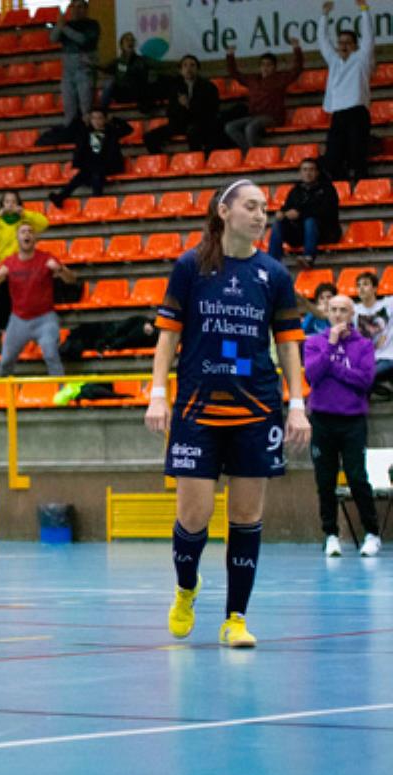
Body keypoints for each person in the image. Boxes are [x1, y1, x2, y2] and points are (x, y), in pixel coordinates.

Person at [145, 178, 311, 648]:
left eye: (265, 209)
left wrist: (296, 406)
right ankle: (185, 588)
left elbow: (289, 345)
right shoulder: (190, 267)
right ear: (225, 211)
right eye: (252, 206)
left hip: (257, 408)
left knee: (246, 516)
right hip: (197, 410)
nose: (262, 216)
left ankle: (235, 618)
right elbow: (168, 338)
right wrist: (158, 393)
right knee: (193, 517)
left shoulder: (274, 275)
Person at [304, 294, 381, 557]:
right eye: (334, 310)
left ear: (352, 315)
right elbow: (312, 375)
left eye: (343, 310)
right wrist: (332, 346)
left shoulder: (364, 346)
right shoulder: (315, 342)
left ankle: (372, 533)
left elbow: (365, 381)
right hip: (323, 420)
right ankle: (331, 535)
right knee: (324, 480)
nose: (338, 315)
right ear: (327, 313)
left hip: (352, 422)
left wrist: (334, 368)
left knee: (358, 477)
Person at [0, 224, 76, 376]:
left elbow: (71, 280)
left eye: (30, 231)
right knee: (5, 361)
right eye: (23, 231)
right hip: (18, 319)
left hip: (45, 318)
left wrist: (60, 270)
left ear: (35, 238)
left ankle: (61, 395)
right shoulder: (9, 262)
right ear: (18, 238)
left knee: (51, 355)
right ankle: (4, 395)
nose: (27, 234)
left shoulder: (46, 258)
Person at [0, 189, 50, 349]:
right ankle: (4, 339)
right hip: (2, 269)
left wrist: (25, 214)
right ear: (2, 204)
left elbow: (44, 223)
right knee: (2, 305)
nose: (10, 205)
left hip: (22, 268)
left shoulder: (24, 221)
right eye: (7, 202)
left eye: (13, 201)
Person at [319, 1, 375, 182]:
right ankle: (340, 186)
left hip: (357, 112)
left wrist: (364, 11)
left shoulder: (361, 59)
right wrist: (324, 16)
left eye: (348, 43)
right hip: (339, 114)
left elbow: (368, 37)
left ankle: (360, 184)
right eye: (341, 42)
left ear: (355, 45)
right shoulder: (334, 60)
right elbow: (323, 41)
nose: (343, 46)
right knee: (333, 154)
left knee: (357, 152)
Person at [224, 42, 303, 151]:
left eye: (269, 65)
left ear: (275, 67)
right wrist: (230, 55)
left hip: (272, 117)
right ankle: (250, 152)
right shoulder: (252, 80)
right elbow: (235, 73)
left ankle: (255, 153)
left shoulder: (280, 79)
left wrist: (297, 49)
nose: (265, 67)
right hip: (254, 116)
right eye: (263, 64)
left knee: (250, 127)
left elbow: (296, 70)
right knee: (230, 127)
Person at [48, 108, 132, 206]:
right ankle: (61, 197)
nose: (96, 121)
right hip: (92, 165)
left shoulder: (112, 132)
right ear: (90, 120)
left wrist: (114, 119)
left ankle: (96, 201)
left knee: (96, 172)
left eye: (99, 118)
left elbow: (128, 129)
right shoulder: (86, 132)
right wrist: (80, 120)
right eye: (94, 118)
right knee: (82, 174)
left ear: (105, 120)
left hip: (109, 164)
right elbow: (70, 132)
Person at [268, 158, 341, 267]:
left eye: (311, 170)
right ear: (300, 173)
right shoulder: (295, 190)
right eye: (305, 170)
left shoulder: (327, 189)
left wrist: (300, 214)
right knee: (278, 223)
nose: (308, 173)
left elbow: (327, 212)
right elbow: (287, 207)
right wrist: (282, 213)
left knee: (310, 220)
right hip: (300, 233)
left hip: (325, 232)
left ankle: (308, 257)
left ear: (317, 172)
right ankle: (272, 262)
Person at [144, 55, 220, 155]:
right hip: (180, 123)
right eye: (185, 66)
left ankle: (197, 159)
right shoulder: (175, 88)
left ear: (197, 69)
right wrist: (180, 107)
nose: (188, 69)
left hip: (200, 123)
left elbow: (211, 111)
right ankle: (163, 160)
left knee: (193, 131)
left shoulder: (208, 87)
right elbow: (170, 111)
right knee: (149, 137)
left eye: (192, 65)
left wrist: (189, 105)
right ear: (180, 70)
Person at [49, 0, 99, 127]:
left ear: (86, 9)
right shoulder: (67, 24)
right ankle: (71, 131)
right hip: (68, 71)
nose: (76, 10)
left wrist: (64, 27)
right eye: (73, 7)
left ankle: (88, 130)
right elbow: (53, 39)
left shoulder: (92, 24)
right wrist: (59, 26)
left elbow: (83, 40)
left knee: (86, 105)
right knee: (68, 105)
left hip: (84, 69)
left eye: (80, 7)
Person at [353, 271, 393, 395]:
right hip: (365, 359)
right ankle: (377, 386)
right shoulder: (353, 309)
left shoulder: (388, 304)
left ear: (375, 288)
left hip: (388, 357)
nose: (361, 288)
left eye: (365, 284)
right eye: (358, 285)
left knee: (364, 377)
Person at [99, 32, 160, 113]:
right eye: (127, 40)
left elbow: (159, 65)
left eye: (132, 40)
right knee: (109, 82)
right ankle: (102, 112)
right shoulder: (117, 62)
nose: (130, 42)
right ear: (121, 45)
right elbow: (104, 68)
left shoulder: (142, 60)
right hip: (122, 93)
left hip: (137, 92)